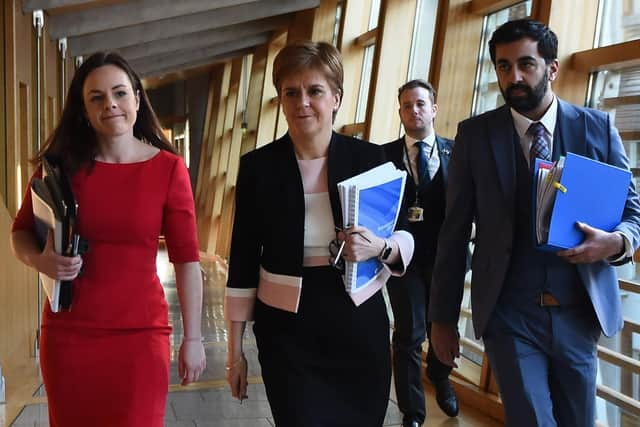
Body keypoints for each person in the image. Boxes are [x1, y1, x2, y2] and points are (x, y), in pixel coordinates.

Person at [428, 19, 640, 427]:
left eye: (526, 64)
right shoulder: (475, 136)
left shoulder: (597, 129)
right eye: (504, 67)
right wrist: (441, 318)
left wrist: (615, 243)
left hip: (579, 314)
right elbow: (454, 234)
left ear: (553, 68)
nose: (514, 77)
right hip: (509, 315)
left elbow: (634, 214)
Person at [223, 40, 414, 427]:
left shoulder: (370, 159)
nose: (302, 102)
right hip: (286, 329)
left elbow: (404, 236)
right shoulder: (259, 167)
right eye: (291, 93)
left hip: (358, 320)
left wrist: (378, 246)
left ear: (337, 98)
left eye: (315, 91)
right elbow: (242, 260)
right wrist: (234, 352)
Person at [10, 52, 206, 427]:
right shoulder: (60, 166)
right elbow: (19, 233)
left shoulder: (168, 169)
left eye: (119, 93)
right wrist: (40, 260)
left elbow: (187, 261)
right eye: (96, 98)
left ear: (136, 97)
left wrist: (193, 338)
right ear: (84, 110)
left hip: (141, 336)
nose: (110, 104)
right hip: (70, 336)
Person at [383, 79, 458, 426]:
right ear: (400, 112)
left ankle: (440, 376)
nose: (414, 110)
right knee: (409, 333)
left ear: (434, 109)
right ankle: (412, 411)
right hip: (403, 261)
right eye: (407, 105)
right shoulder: (383, 155)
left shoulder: (456, 152)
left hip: (447, 260)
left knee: (441, 325)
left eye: (420, 104)